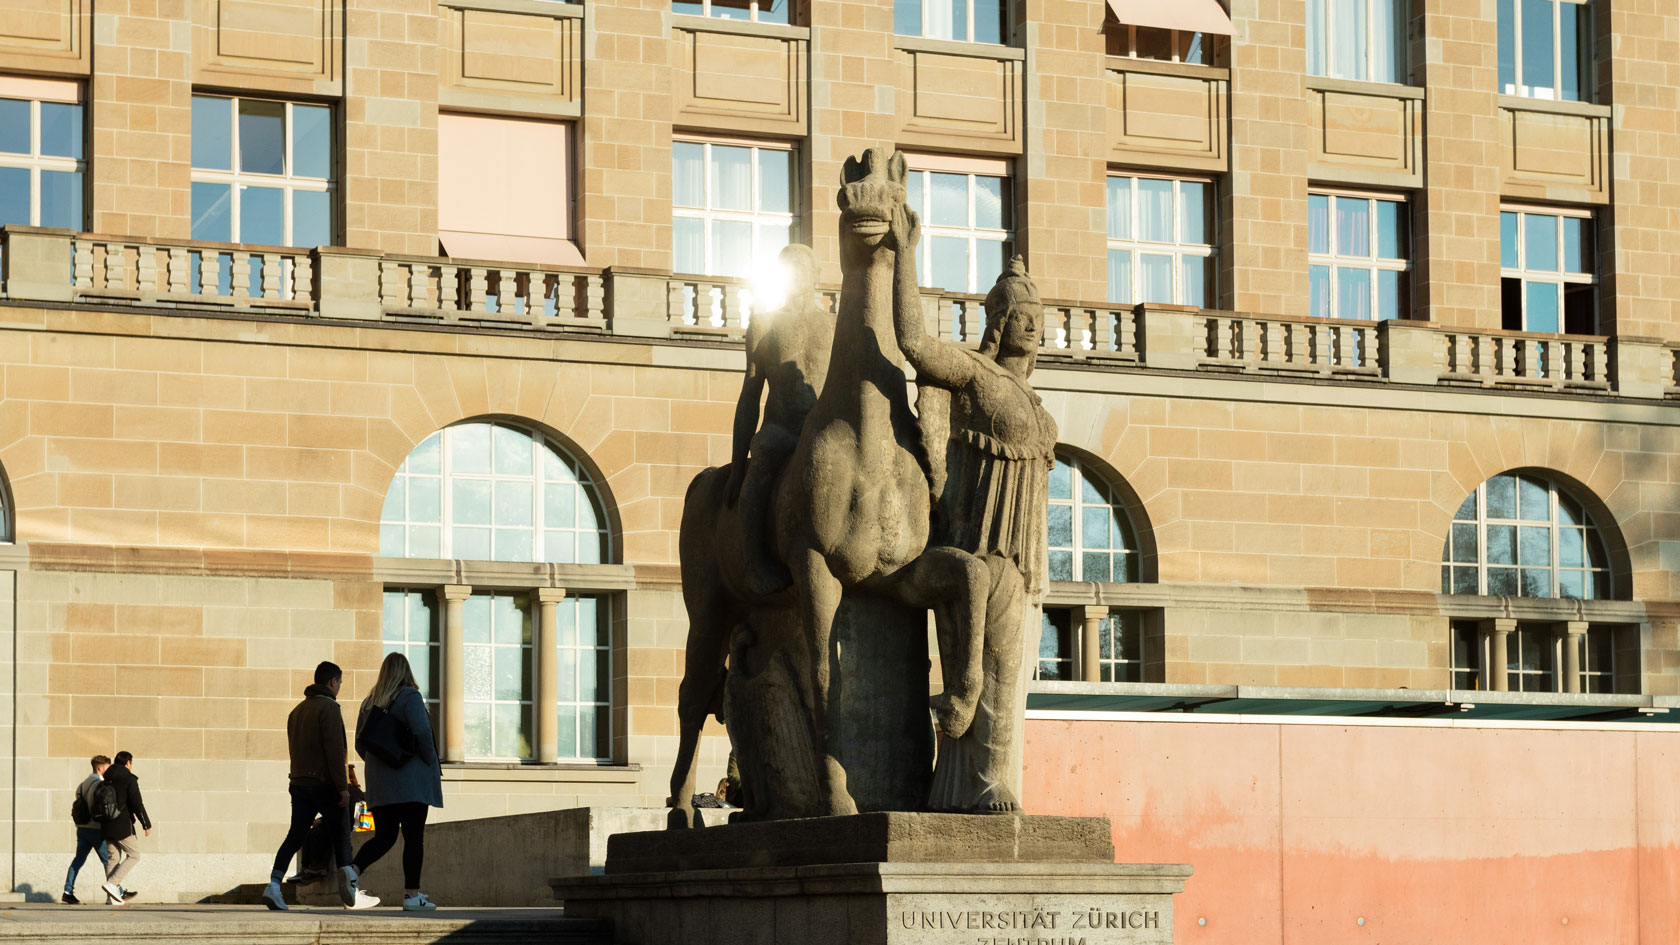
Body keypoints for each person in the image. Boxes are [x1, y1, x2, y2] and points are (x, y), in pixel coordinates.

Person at [890, 204, 1058, 814]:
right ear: (1001, 319)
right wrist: (905, 254)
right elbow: (914, 343)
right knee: (990, 664)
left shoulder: (1032, 397)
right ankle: (984, 781)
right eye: (1023, 317)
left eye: (1040, 318)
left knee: (1010, 676)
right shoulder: (977, 377)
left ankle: (981, 782)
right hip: (972, 547)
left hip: (1022, 559)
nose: (1033, 327)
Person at [724, 243, 835, 596]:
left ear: (817, 274)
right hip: (781, 430)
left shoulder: (834, 326)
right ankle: (755, 561)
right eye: (789, 267)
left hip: (824, 431)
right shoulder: (765, 323)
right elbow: (749, 397)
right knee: (766, 455)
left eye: (803, 266)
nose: (797, 273)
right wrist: (738, 465)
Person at [262, 661, 378, 911]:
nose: (339, 688)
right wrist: (342, 787)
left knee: (295, 835)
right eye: (339, 683)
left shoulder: (297, 711)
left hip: (299, 782)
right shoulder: (330, 708)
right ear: (333, 682)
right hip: (324, 784)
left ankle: (273, 884)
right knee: (341, 833)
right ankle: (351, 894)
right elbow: (336, 752)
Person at [350, 652, 443, 911]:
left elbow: (360, 742)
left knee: (385, 836)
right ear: (406, 672)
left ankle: (353, 872)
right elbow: (422, 731)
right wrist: (428, 759)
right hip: (411, 783)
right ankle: (412, 896)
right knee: (414, 838)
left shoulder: (369, 702)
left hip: (381, 785)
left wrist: (381, 764)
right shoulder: (409, 696)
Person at [99, 750, 151, 905]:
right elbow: (136, 803)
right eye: (131, 763)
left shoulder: (105, 779)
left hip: (106, 824)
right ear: (128, 762)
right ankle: (112, 884)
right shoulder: (129, 779)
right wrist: (146, 824)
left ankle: (111, 898)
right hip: (121, 825)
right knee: (134, 855)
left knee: (113, 858)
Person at [62, 755, 112, 904]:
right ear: (100, 768)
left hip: (82, 828)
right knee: (108, 861)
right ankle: (117, 891)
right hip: (96, 828)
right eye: (107, 768)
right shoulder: (100, 784)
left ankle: (67, 890)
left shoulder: (82, 784)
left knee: (78, 860)